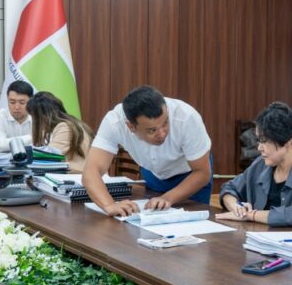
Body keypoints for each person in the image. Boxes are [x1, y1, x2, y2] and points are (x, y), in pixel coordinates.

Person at [83, 86, 212, 216]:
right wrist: (109, 205)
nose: (162, 134)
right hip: (153, 174)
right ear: (131, 126)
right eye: (152, 130)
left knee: (195, 224)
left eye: (165, 123)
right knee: (152, 220)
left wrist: (167, 198)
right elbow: (91, 171)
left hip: (191, 176)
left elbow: (202, 172)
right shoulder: (114, 122)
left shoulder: (186, 117)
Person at [218, 102, 292, 232]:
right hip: (261, 241)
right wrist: (236, 208)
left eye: (264, 141)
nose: (259, 148)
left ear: (287, 142)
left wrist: (251, 215)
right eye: (259, 140)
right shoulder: (260, 165)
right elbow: (229, 188)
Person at [27, 91, 93, 173]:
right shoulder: (73, 123)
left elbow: (48, 157)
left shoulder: (65, 127)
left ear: (42, 117)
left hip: (76, 175)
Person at [0, 80, 34, 152]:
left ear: (31, 101)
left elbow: (47, 142)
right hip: (3, 159)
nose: (16, 107)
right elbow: (0, 146)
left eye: (22, 103)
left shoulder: (36, 117)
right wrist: (33, 138)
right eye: (12, 102)